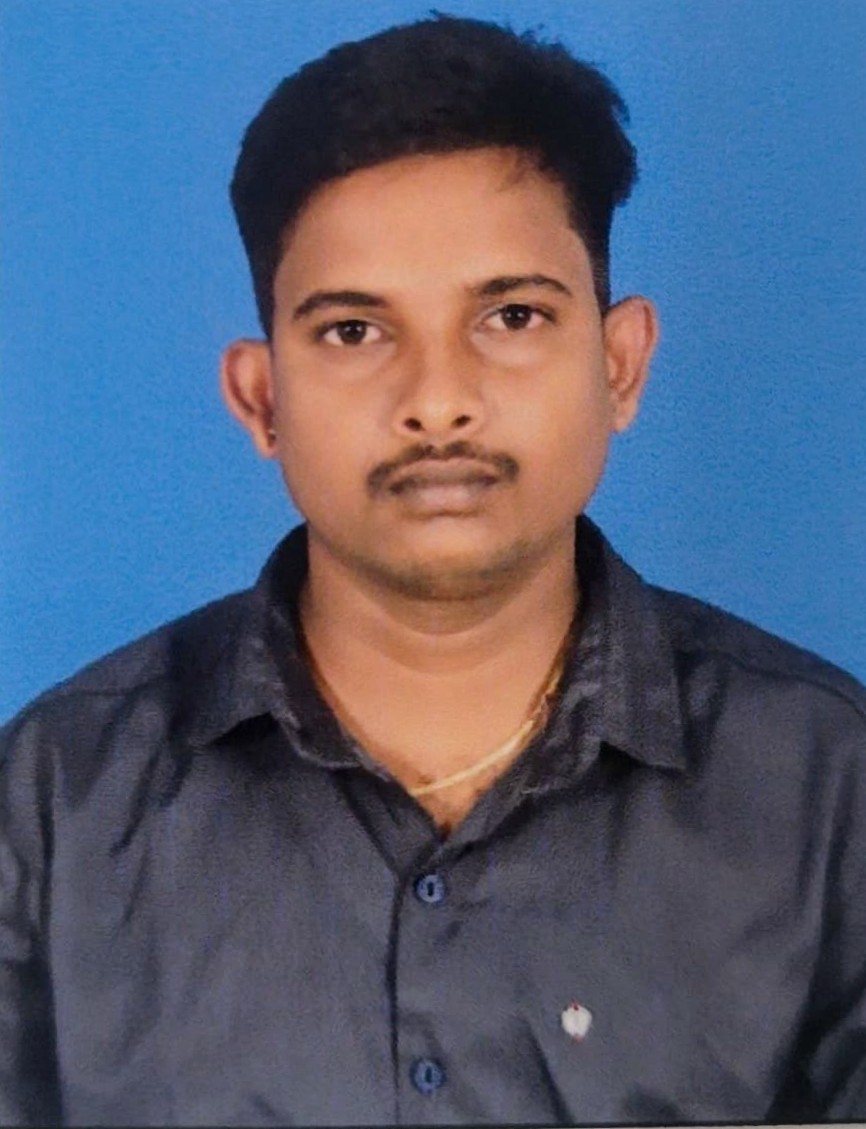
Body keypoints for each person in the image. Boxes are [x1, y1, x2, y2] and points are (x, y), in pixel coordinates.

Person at [1, 13, 864, 1127]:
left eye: (511, 315)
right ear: (262, 397)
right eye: (354, 332)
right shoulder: (55, 804)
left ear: (619, 364)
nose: (438, 399)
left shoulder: (825, 787)